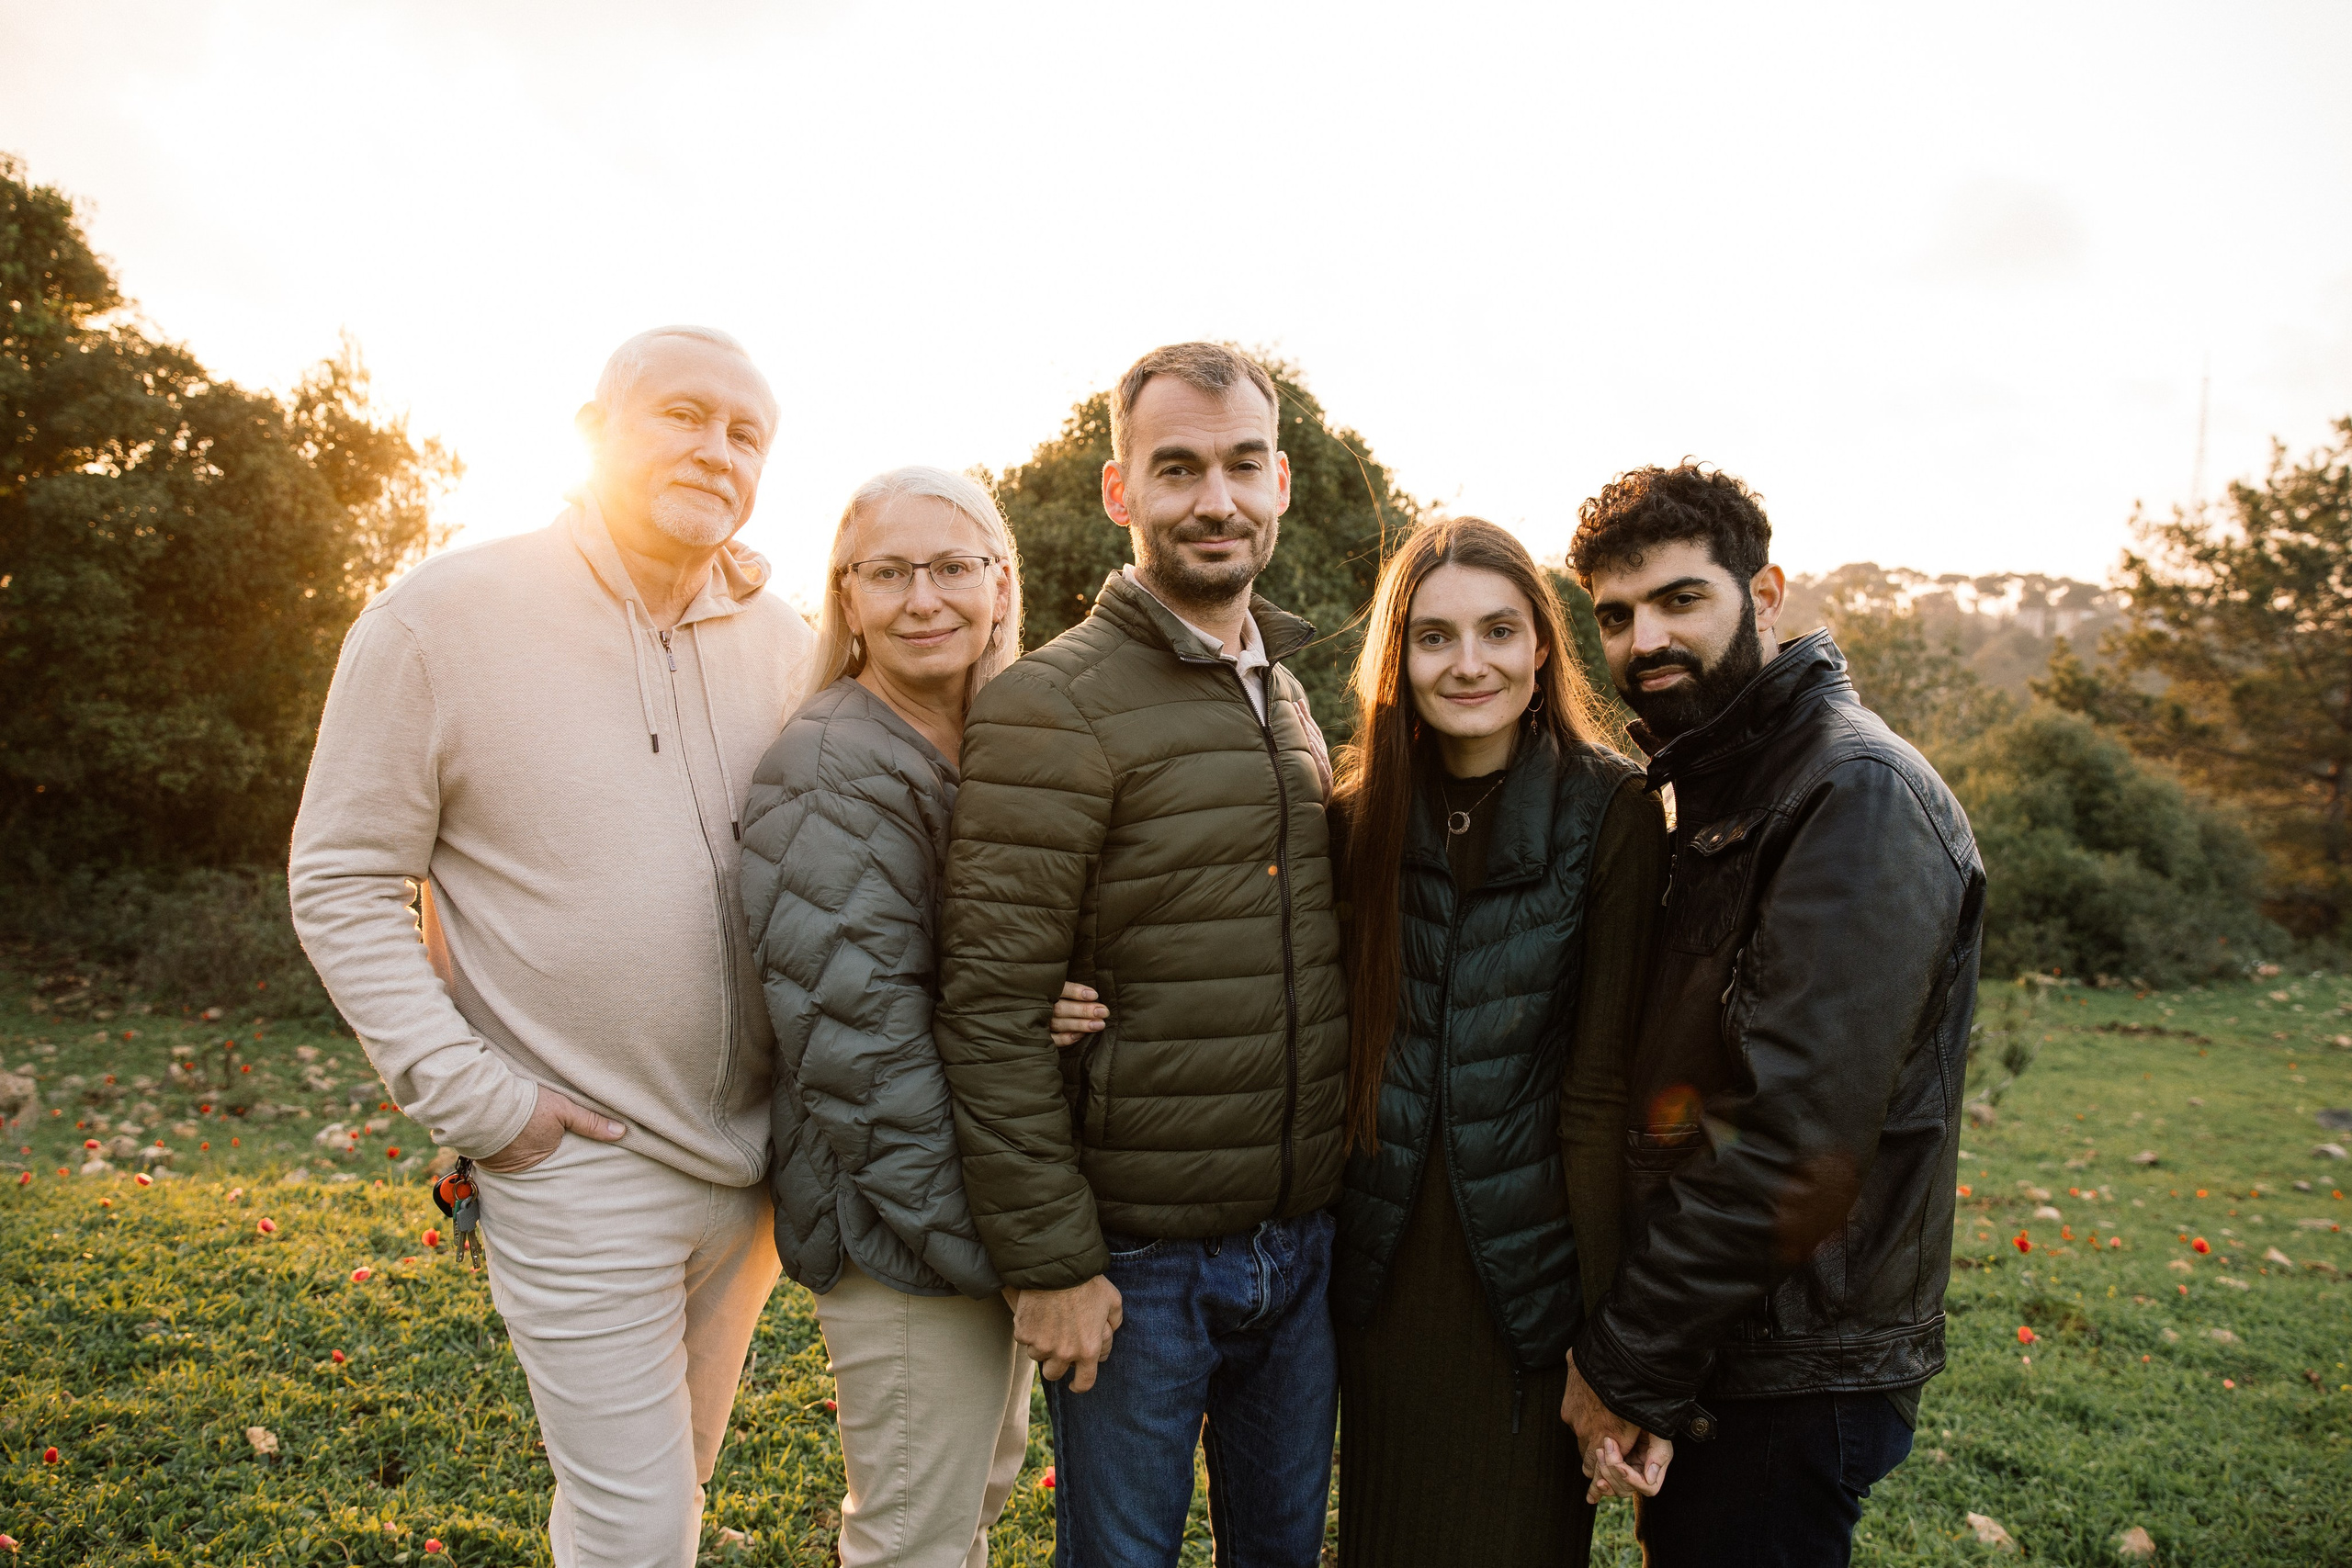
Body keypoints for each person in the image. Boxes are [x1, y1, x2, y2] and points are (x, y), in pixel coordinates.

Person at [290, 326, 815, 1567]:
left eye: (747, 434)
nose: (717, 447)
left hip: (750, 1167)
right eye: (685, 413)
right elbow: (341, 876)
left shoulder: (782, 632)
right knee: (637, 1527)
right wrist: (479, 1098)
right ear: (592, 428)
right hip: (575, 1157)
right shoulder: (441, 616)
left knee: (666, 1492)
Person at [933, 343, 1348, 1566]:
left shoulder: (1282, 686)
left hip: (1302, 1243)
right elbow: (994, 1012)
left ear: (1280, 483)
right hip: (1139, 1263)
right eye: (1178, 469)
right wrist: (1054, 1263)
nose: (1214, 498)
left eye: (1241, 465)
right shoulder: (1049, 705)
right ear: (1122, 492)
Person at [1558, 465, 1985, 1567]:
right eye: (1615, 615)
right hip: (1731, 1344)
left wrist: (1631, 1362)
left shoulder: (1853, 794)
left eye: (1680, 600)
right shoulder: (1718, 784)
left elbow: (1790, 1140)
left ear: (1767, 592)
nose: (1645, 638)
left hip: (1792, 1363)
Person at [740, 466, 1098, 1568]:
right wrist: (1014, 1260)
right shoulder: (829, 763)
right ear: (846, 597)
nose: (922, 599)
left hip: (976, 1202)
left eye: (951, 568)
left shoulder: (997, 741)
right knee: (912, 1541)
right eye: (887, 573)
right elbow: (858, 1056)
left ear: (1000, 583)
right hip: (898, 1225)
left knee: (967, 1510)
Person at [1327, 517, 1669, 1567]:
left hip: (1529, 1284)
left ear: (1540, 649)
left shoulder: (1609, 810)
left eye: (1497, 632)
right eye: (1433, 638)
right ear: (1398, 660)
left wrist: (1608, 1347)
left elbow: (1602, 1090)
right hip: (1378, 1267)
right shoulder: (1353, 816)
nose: (1467, 664)